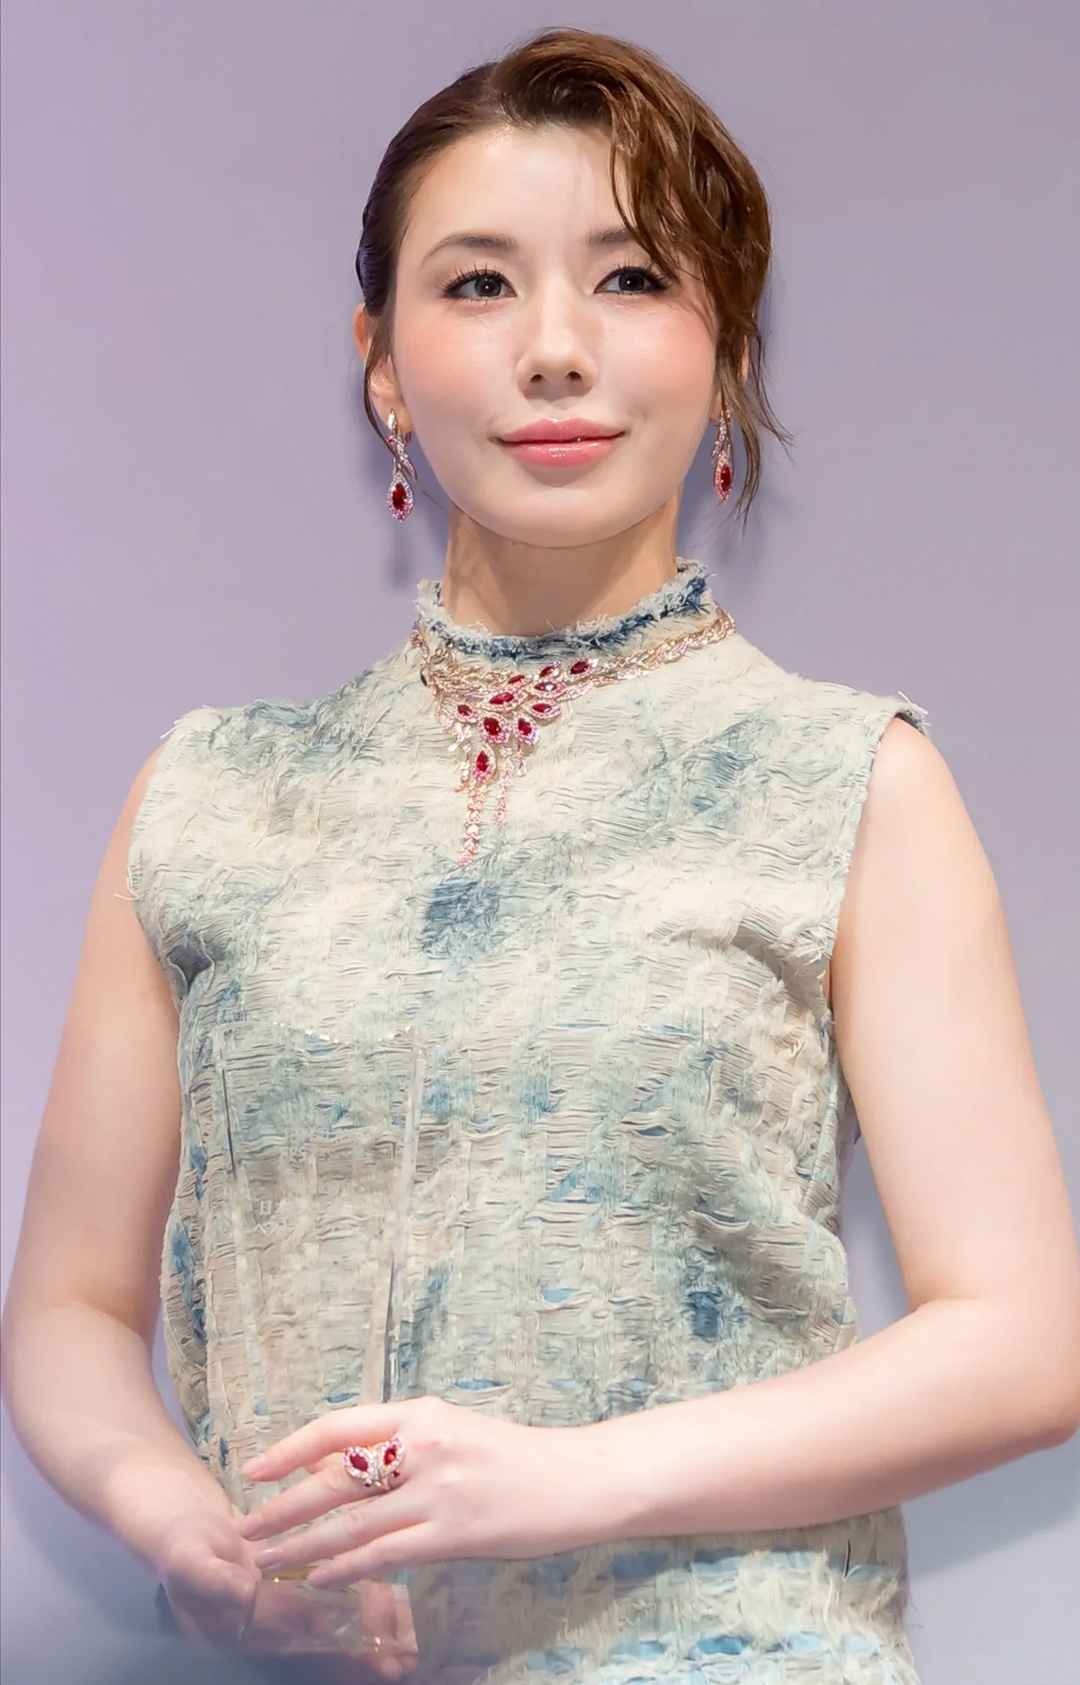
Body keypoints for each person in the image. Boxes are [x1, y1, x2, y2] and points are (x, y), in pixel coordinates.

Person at [3, 24, 1079, 1685]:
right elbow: (72, 1306)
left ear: (727, 349)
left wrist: (557, 1482)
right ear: (381, 360)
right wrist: (182, 1524)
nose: (558, 350)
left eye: (633, 278)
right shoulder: (213, 793)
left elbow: (1022, 1340)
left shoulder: (849, 780)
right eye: (480, 284)